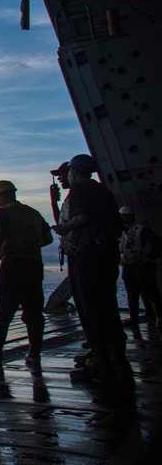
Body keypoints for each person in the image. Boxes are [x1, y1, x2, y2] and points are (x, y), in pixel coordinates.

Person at [52, 154, 131, 380]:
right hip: (106, 254)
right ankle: (117, 359)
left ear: (75, 171)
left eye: (68, 172)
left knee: (89, 306)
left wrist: (65, 228)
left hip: (88, 253)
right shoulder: (103, 191)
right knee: (107, 306)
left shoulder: (79, 189)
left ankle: (100, 361)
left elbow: (81, 217)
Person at [0, 180, 54, 366]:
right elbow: (48, 238)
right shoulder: (34, 213)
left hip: (13, 265)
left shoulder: (5, 212)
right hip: (34, 265)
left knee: (3, 310)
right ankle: (34, 354)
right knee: (34, 311)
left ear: (1, 196)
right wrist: (31, 245)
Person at [119, 205, 162, 334]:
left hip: (143, 266)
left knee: (151, 292)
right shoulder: (122, 232)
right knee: (132, 294)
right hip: (128, 266)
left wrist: (149, 258)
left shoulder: (142, 230)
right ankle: (134, 318)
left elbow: (158, 244)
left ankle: (159, 317)